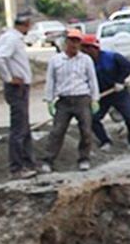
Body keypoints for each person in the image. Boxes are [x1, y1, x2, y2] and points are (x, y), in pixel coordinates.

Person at [40, 29, 100, 173]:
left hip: (82, 99)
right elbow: (50, 80)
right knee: (57, 131)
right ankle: (48, 160)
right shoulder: (56, 61)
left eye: (77, 41)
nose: (74, 44)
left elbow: (92, 80)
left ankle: (84, 158)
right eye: (72, 41)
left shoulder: (86, 60)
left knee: (86, 130)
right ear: (66, 42)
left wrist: (94, 99)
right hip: (64, 101)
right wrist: (49, 100)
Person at [0, 11, 37, 179]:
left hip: (20, 87)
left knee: (24, 126)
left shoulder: (7, 36)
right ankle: (16, 168)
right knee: (19, 129)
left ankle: (28, 163)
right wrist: (9, 77)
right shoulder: (12, 39)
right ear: (26, 24)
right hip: (17, 88)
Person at [79, 34, 130, 151]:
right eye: (83, 49)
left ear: (94, 48)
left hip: (118, 93)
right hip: (100, 96)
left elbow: (128, 66)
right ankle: (105, 141)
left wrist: (119, 81)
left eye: (86, 48)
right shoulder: (84, 63)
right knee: (92, 118)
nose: (85, 51)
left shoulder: (111, 57)